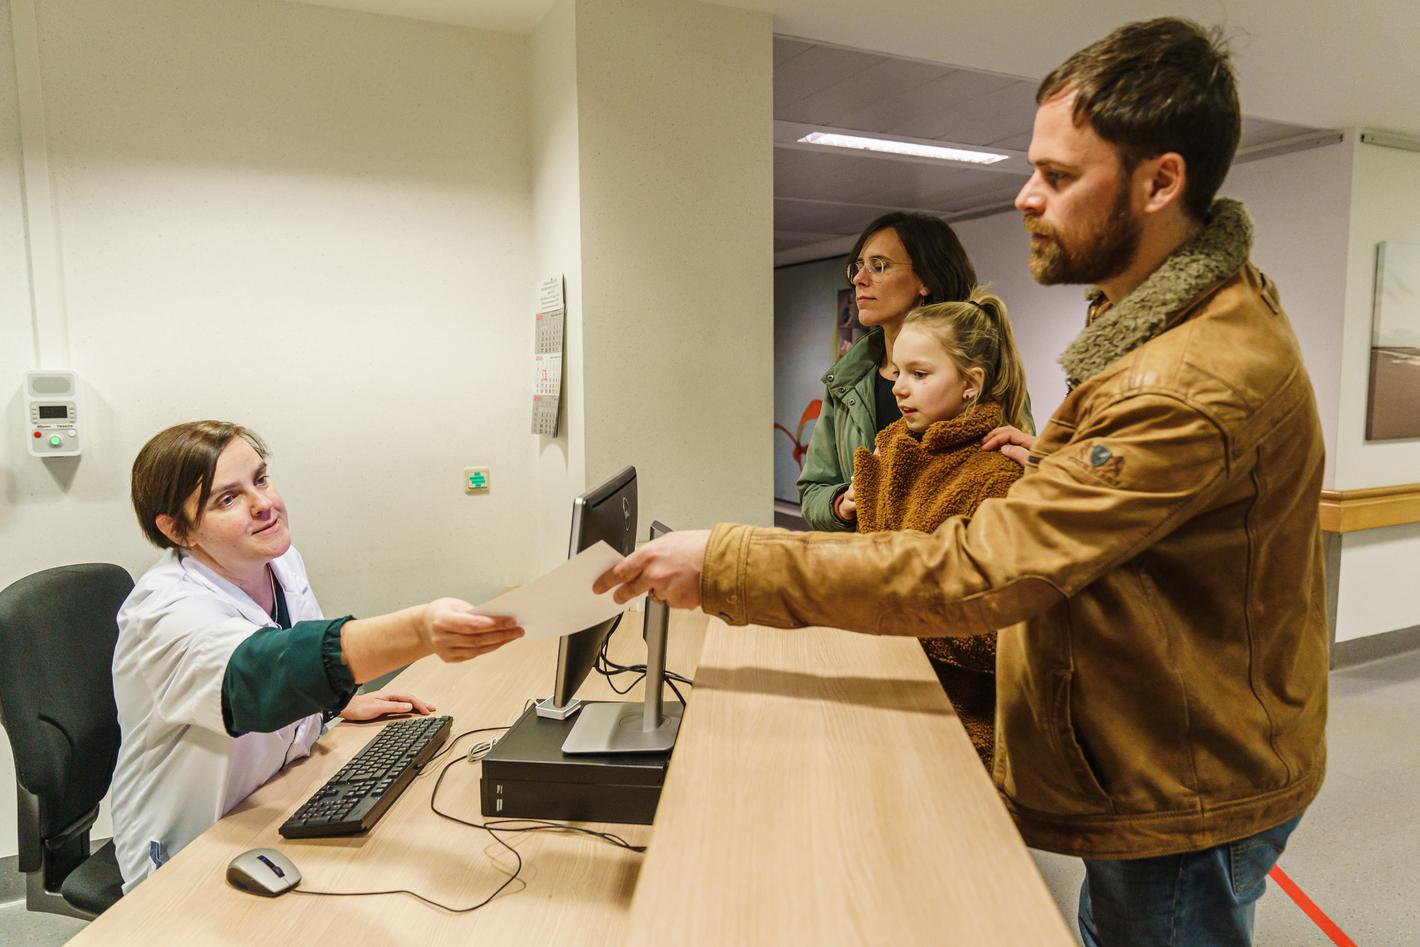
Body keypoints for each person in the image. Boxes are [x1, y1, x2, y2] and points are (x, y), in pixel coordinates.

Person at [598, 18, 1326, 947]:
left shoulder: (1190, 376)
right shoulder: (1161, 319)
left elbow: (981, 574)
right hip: (1157, 740)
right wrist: (1064, 467)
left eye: (1059, 177)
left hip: (1186, 780)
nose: (1025, 196)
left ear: (1161, 182)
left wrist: (732, 562)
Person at [110, 420, 524, 891]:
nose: (263, 505)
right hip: (192, 848)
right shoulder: (164, 613)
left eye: (260, 479)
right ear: (178, 530)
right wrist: (421, 630)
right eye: (228, 499)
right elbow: (262, 673)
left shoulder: (278, 561)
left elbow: (290, 649)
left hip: (275, 799)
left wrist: (334, 702)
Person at [852, 289, 1027, 766]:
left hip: (956, 731)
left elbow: (998, 636)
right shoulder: (893, 450)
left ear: (972, 383)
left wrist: (877, 604)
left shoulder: (995, 477)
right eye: (897, 371)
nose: (899, 387)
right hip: (885, 701)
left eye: (920, 374)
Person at [796, 212, 979, 531]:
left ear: (925, 280)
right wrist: (843, 503)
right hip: (866, 568)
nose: (859, 279)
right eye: (858, 266)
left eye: (878, 266)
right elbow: (814, 491)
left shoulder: (978, 375)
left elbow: (1011, 485)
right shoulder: (846, 382)